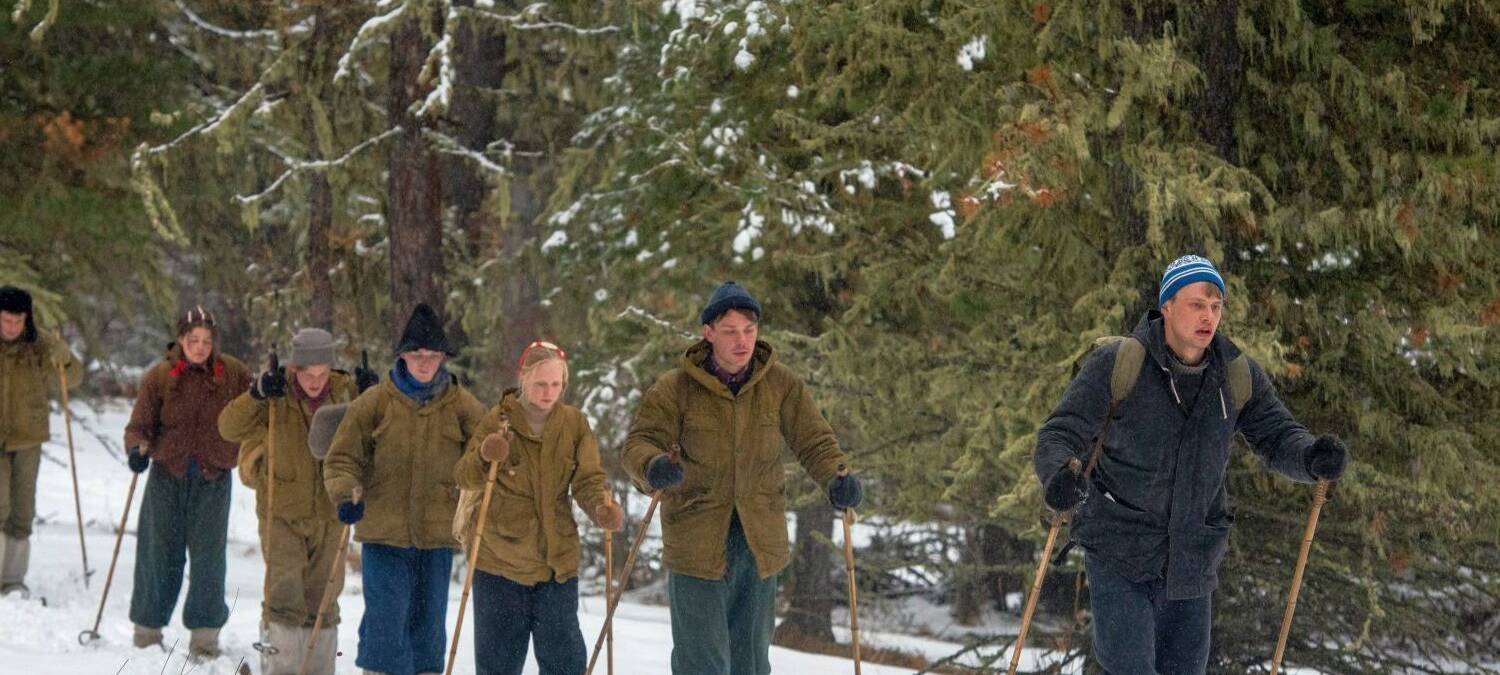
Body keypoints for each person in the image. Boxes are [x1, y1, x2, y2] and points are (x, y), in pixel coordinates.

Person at [1033, 254, 1348, 674]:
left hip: (1192, 562)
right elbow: (1061, 432)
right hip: (1119, 550)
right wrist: (1059, 476)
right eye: (1197, 304)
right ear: (1167, 306)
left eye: (1216, 306)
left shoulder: (1234, 374)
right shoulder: (1122, 363)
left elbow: (1277, 435)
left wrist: (1311, 458)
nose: (1208, 316)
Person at [622, 281, 865, 675]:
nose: (742, 341)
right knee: (701, 662)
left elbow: (814, 440)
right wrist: (652, 467)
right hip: (696, 541)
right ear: (708, 333)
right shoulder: (677, 388)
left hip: (757, 541)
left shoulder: (780, 384)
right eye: (731, 331)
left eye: (749, 331)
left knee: (750, 663)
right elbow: (639, 442)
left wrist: (838, 477)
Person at [323, 303, 486, 675]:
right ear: (402, 355)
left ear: (444, 357)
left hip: (437, 533)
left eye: (432, 355)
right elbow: (341, 459)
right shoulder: (374, 402)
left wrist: (479, 489)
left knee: (428, 626)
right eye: (416, 354)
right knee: (385, 620)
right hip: (384, 532)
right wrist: (346, 493)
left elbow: (484, 457)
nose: (424, 362)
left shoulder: (462, 405)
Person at [454, 340, 622, 675]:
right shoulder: (498, 420)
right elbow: (465, 476)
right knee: (498, 666)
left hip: (556, 564)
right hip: (499, 562)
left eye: (556, 384)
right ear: (523, 379)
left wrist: (601, 508)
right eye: (540, 384)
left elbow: (588, 480)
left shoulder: (574, 424)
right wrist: (486, 453)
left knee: (565, 664)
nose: (549, 393)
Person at [218, 327, 377, 674]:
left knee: (324, 598)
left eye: (322, 373)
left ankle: (319, 669)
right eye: (308, 374)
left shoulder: (344, 391)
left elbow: (378, 427)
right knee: (285, 596)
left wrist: (372, 393)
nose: (316, 382)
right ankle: (282, 669)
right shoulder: (275, 393)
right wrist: (256, 393)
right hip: (281, 511)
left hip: (331, 511)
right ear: (295, 369)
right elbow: (228, 427)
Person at [123, 306, 252, 660]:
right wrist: (137, 449)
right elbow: (139, 426)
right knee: (158, 554)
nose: (199, 347)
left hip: (213, 475)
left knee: (209, 558)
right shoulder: (161, 376)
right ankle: (147, 633)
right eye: (192, 340)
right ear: (181, 340)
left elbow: (255, 410)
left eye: (206, 341)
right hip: (168, 474)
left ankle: (205, 639)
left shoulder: (234, 374)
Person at [0, 286, 83, 596]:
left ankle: (12, 580)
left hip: (28, 437)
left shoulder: (40, 343)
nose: (11, 327)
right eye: (5, 320)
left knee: (22, 511)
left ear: (27, 319)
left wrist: (66, 359)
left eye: (17, 321)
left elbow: (72, 379)